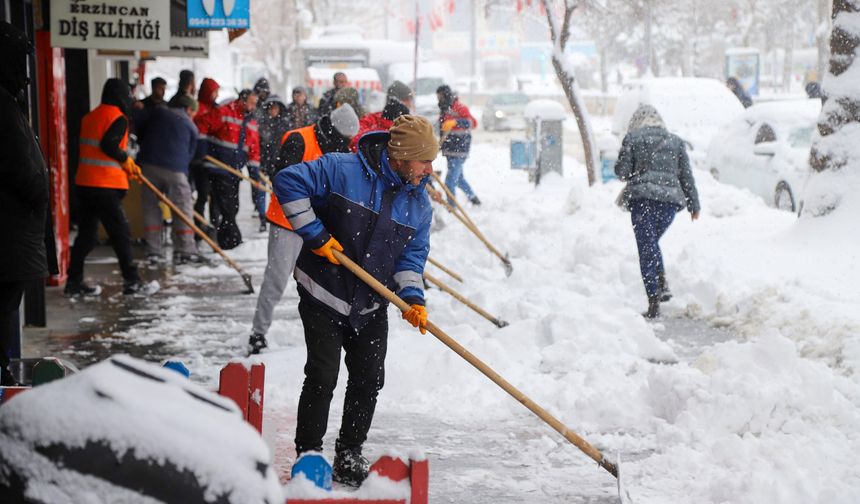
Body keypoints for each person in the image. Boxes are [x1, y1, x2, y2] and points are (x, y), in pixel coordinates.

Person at [273, 115, 437, 486]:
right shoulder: (342, 169)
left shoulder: (420, 205)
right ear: (402, 156)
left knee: (368, 379)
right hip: (323, 293)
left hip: (371, 305)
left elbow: (412, 258)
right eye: (424, 160)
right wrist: (315, 235)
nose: (430, 169)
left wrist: (413, 297)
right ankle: (309, 453)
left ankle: (349, 454)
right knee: (322, 374)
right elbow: (287, 181)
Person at [248, 104, 360, 354]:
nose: (345, 145)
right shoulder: (299, 139)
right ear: (333, 130)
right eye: (344, 140)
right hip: (286, 223)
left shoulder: (337, 147)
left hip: (318, 228)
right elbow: (281, 179)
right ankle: (258, 332)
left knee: (320, 281)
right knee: (276, 279)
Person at [0, 21, 58, 385]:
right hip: (11, 234)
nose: (24, 75)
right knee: (4, 309)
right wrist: (40, 191)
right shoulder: (3, 106)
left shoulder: (8, 101)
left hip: (13, 234)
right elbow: (22, 167)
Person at [614, 105, 700, 319]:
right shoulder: (675, 142)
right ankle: (661, 283)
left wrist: (624, 158)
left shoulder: (632, 138)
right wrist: (694, 205)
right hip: (669, 204)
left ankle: (654, 299)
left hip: (643, 200)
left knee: (646, 247)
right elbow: (686, 176)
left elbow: (622, 173)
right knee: (650, 243)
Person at [65, 78, 147, 296]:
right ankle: (132, 281)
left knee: (87, 235)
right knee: (121, 233)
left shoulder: (90, 117)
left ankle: (73, 282)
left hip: (84, 184)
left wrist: (125, 164)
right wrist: (126, 160)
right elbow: (108, 145)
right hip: (104, 186)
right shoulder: (118, 118)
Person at [136, 95, 204, 264]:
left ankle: (154, 252)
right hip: (176, 170)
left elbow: (140, 128)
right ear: (188, 109)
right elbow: (191, 154)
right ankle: (185, 250)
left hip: (149, 167)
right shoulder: (190, 125)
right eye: (194, 112)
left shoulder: (157, 113)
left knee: (151, 208)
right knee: (182, 209)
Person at [204, 89, 261, 249]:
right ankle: (231, 240)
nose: (253, 106)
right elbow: (205, 126)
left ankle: (224, 238)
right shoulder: (224, 112)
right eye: (251, 102)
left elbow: (253, 149)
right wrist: (202, 150)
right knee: (226, 206)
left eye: (255, 103)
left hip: (234, 170)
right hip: (218, 167)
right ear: (242, 101)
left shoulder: (251, 122)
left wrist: (254, 172)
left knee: (232, 205)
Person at [437, 84, 480, 205]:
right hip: (450, 150)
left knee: (450, 182)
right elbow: (443, 130)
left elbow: (473, 123)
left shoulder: (459, 107)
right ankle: (473, 198)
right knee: (459, 179)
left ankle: (452, 207)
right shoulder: (444, 110)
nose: (438, 99)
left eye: (440, 96)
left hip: (459, 150)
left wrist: (456, 122)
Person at [348, 80, 412, 152]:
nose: (410, 103)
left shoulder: (412, 124)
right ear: (396, 100)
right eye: (407, 99)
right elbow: (355, 143)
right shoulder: (371, 120)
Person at [191, 77, 221, 233]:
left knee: (215, 196)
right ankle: (199, 226)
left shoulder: (217, 109)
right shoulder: (197, 108)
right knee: (203, 194)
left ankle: (214, 226)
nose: (216, 95)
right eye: (214, 92)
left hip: (214, 159)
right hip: (199, 160)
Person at [258, 95, 291, 178]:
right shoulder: (261, 123)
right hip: (263, 160)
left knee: (275, 188)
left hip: (277, 161)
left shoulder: (284, 125)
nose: (273, 110)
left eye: (276, 108)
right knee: (259, 188)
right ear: (267, 109)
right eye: (271, 108)